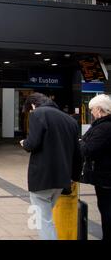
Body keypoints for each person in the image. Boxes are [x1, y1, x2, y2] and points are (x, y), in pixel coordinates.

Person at [20, 92, 81, 240]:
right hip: (61, 179)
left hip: (42, 177)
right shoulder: (70, 120)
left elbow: (33, 143)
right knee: (48, 216)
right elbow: (77, 153)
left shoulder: (38, 114)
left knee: (43, 220)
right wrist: (74, 176)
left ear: (33, 105)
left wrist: (24, 143)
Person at [79, 94, 111, 241]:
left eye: (92, 109)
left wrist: (79, 143)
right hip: (104, 175)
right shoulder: (102, 126)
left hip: (106, 177)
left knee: (106, 209)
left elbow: (89, 149)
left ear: (99, 110)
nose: (91, 112)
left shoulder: (104, 127)